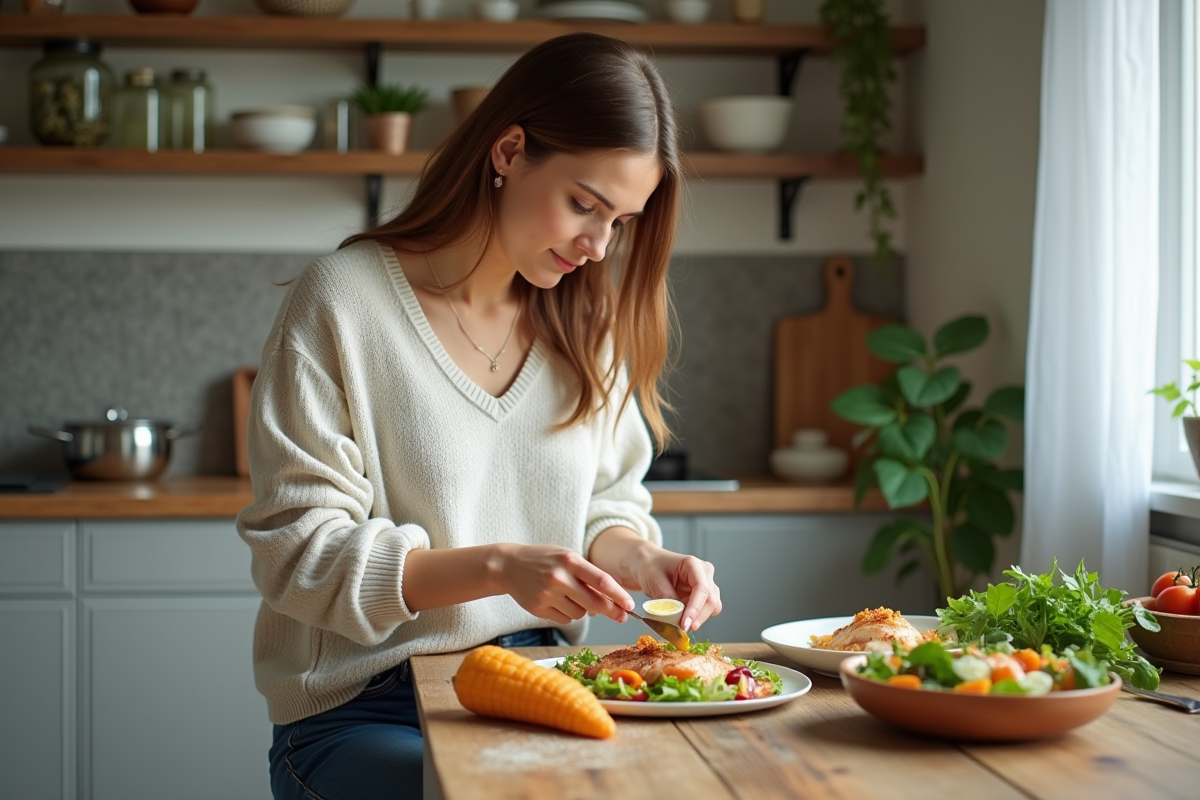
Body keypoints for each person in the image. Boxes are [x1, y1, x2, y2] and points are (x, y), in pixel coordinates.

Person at [236, 31, 722, 800]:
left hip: (551, 684)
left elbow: (606, 504)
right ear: (508, 150)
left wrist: (638, 561)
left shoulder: (587, 324)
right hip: (370, 710)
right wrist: (497, 568)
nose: (598, 246)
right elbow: (301, 555)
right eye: (584, 205)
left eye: (620, 222)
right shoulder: (344, 301)